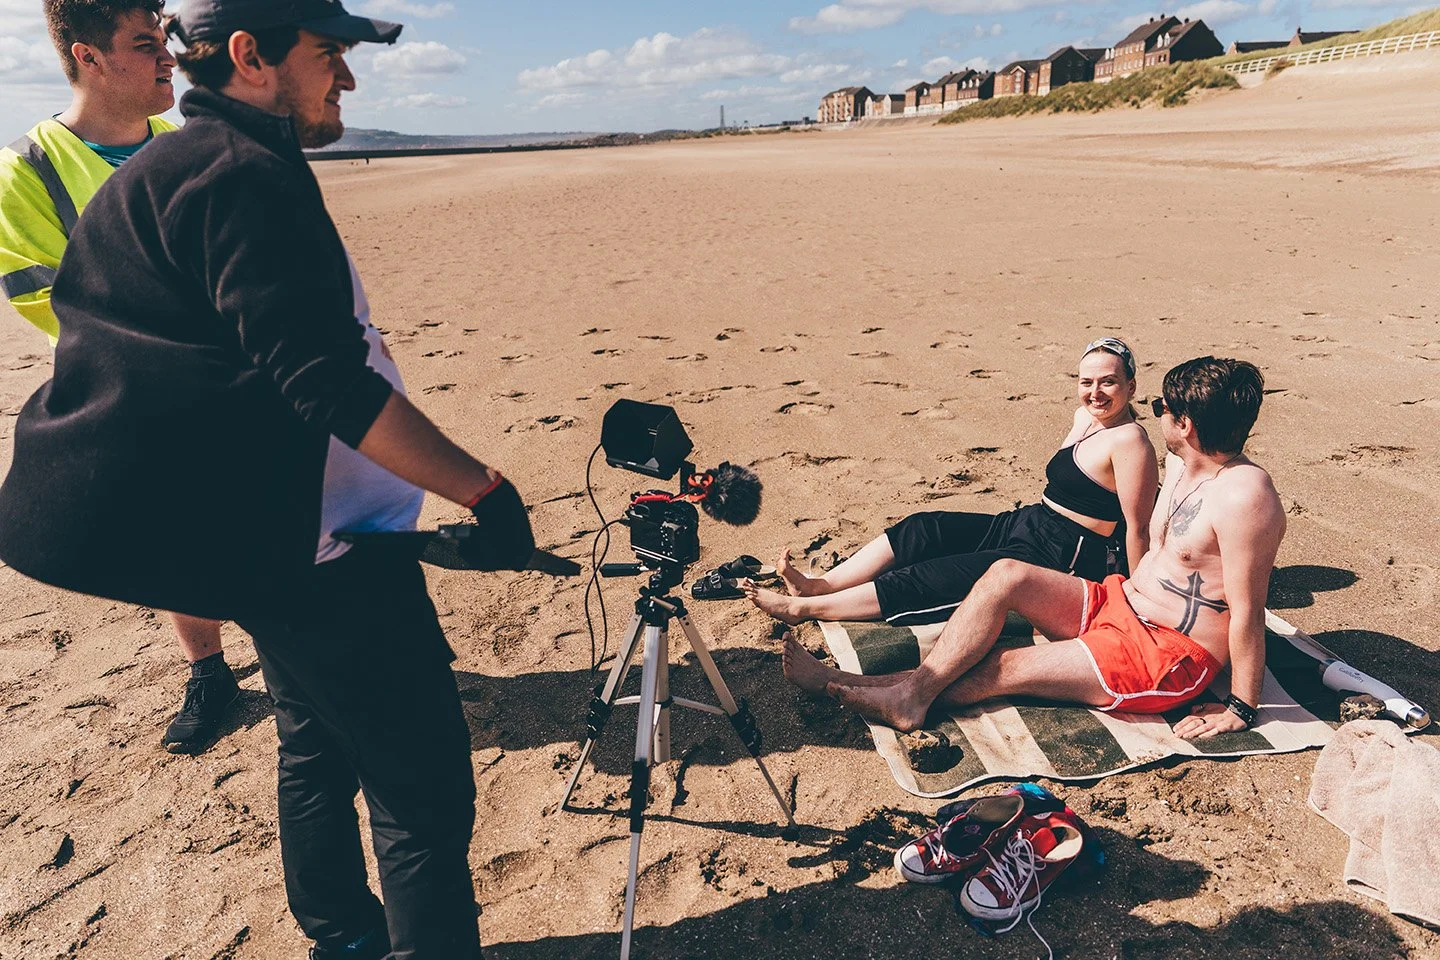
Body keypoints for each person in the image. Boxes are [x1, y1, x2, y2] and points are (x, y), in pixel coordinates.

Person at [0, 1, 537, 956]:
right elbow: (326, 379)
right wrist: (483, 491)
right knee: (421, 789)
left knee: (314, 741)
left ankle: (340, 937)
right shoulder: (241, 174)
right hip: (321, 546)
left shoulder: (180, 163)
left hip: (262, 540)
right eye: (329, 54)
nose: (350, 78)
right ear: (250, 56)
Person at [782, 356, 1286, 741]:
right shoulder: (1183, 466)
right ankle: (896, 689)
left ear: (1186, 425)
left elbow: (1247, 608)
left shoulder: (1245, 497)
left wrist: (1240, 707)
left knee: (1004, 667)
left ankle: (894, 696)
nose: (1154, 416)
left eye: (1162, 409)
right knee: (1007, 574)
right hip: (1121, 602)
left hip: (1166, 651)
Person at [0, 0, 238, 755]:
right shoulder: (27, 170)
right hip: (139, 392)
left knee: (269, 521)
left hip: (244, 378)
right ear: (88, 56)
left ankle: (299, 661)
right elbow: (47, 298)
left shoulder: (191, 140)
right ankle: (210, 672)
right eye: (146, 43)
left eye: (166, 37)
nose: (170, 56)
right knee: (178, 539)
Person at [745, 337, 1159, 625]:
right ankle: (819, 586)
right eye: (1087, 382)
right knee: (924, 528)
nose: (1096, 392)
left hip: (1063, 554)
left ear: (1131, 386)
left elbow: (1136, 527)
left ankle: (805, 610)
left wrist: (1137, 598)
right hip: (1029, 522)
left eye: (1109, 382)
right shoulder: (1085, 418)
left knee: (934, 576)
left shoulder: (1130, 440)